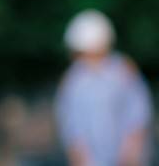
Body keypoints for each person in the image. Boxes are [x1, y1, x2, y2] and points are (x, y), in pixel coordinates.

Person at [55, 9, 153, 166]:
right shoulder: (73, 80)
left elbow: (138, 117)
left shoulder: (124, 72)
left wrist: (131, 155)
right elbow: (71, 128)